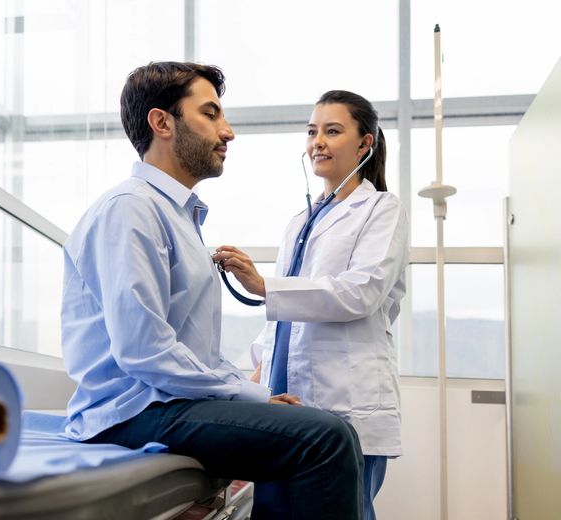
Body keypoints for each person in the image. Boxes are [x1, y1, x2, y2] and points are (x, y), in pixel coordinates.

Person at [61, 63, 364, 518]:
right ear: (163, 123)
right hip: (131, 412)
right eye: (211, 114)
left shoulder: (180, 218)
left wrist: (250, 391)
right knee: (325, 438)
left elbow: (198, 353)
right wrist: (249, 395)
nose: (228, 132)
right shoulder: (130, 210)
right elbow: (145, 351)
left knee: (323, 431)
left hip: (165, 401)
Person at [212, 90, 409, 520]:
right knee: (275, 511)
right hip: (287, 398)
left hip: (347, 400)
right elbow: (283, 318)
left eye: (333, 131)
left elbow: (362, 291)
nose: (317, 141)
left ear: (364, 143)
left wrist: (264, 284)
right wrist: (256, 371)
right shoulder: (299, 222)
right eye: (312, 131)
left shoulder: (381, 209)